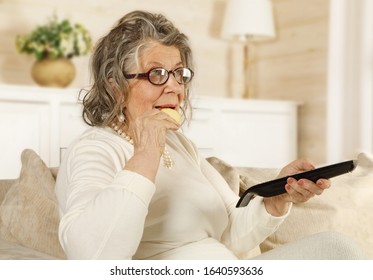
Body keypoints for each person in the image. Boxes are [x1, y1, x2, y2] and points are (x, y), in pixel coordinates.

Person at [55, 10, 366, 260]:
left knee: (336, 249)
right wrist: (145, 153)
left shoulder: (181, 145)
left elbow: (232, 232)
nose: (175, 86)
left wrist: (277, 198)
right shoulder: (95, 149)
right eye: (156, 74)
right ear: (114, 85)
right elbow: (91, 256)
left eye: (179, 73)